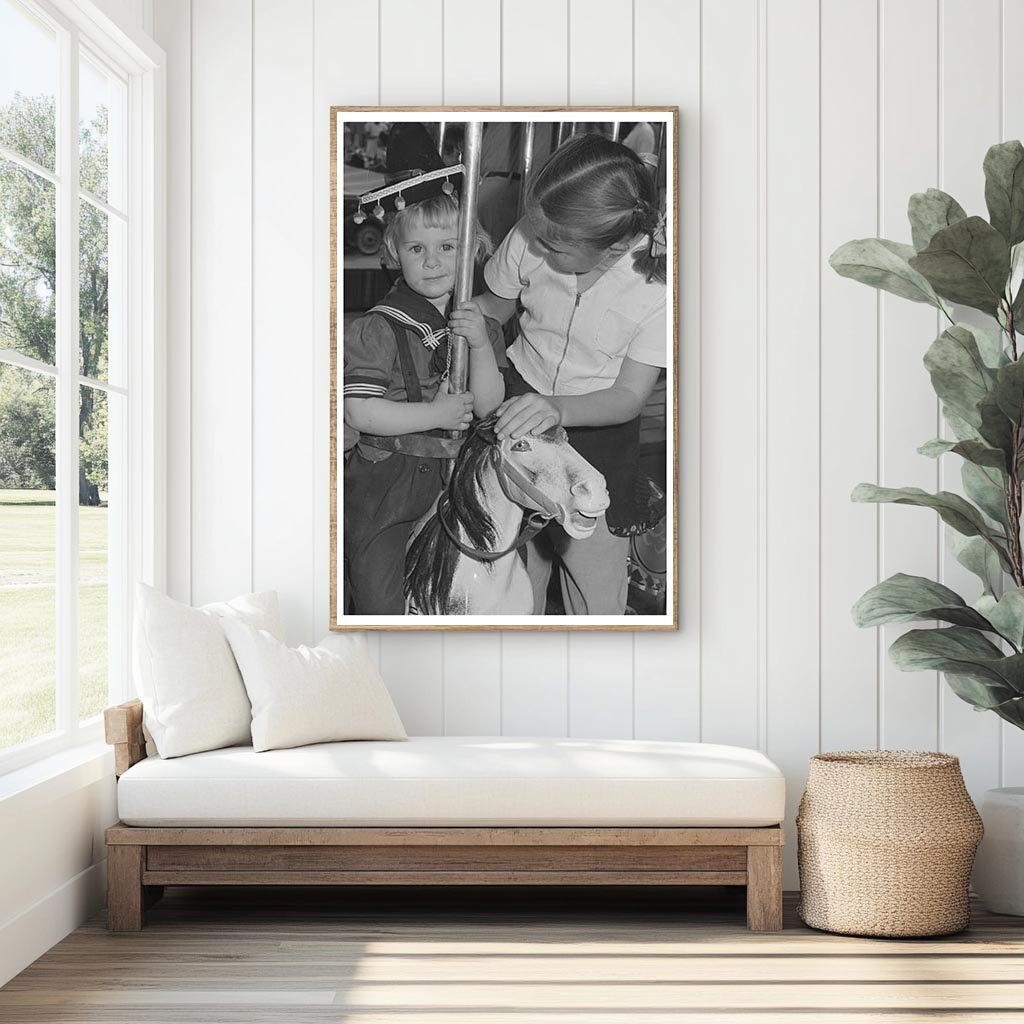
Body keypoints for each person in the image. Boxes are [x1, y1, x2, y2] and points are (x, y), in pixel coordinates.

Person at [473, 132, 668, 616]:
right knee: (515, 570)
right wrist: (442, 320)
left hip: (596, 429)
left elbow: (627, 396)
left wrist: (557, 408)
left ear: (617, 244)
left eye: (555, 245)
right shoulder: (533, 234)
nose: (536, 246)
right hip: (518, 400)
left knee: (594, 578)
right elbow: (495, 306)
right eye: (535, 231)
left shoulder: (658, 289)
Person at [343, 126, 503, 615]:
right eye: (417, 249)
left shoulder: (478, 322)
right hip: (389, 483)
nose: (433, 262)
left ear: (472, 249)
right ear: (394, 254)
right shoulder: (378, 328)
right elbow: (361, 413)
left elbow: (490, 404)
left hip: (457, 481)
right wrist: (434, 411)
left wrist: (478, 344)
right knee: (381, 594)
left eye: (448, 248)